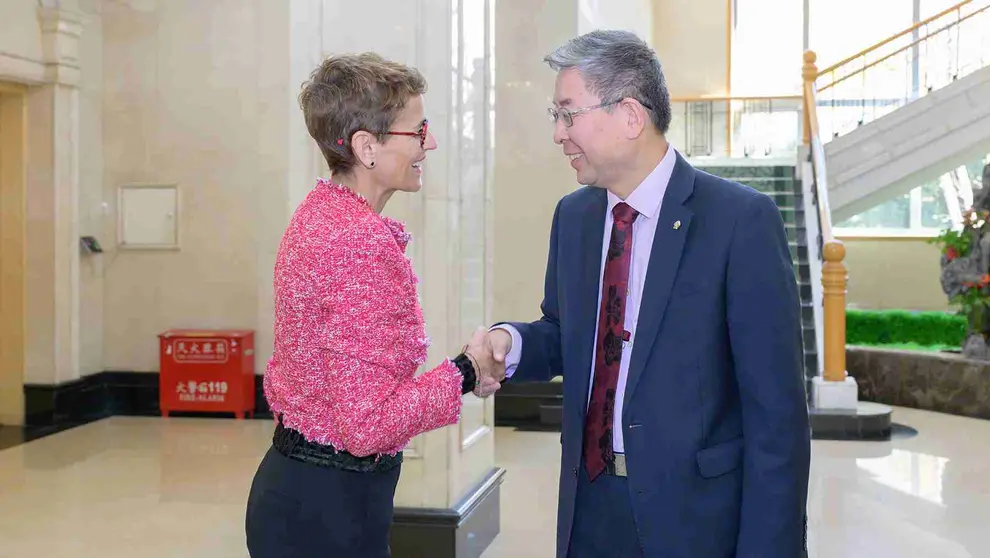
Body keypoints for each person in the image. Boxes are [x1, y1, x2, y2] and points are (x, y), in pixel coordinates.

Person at [485, 30, 812, 558]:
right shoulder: (575, 218)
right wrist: (512, 342)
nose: (558, 134)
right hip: (589, 506)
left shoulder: (739, 221)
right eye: (556, 115)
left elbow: (777, 420)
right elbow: (566, 334)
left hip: (696, 519)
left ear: (631, 115)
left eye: (568, 114)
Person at [245, 53, 502, 558]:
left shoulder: (322, 215)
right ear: (366, 146)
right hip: (327, 515)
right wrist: (466, 372)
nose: (430, 143)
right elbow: (367, 426)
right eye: (417, 130)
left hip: (305, 496)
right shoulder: (357, 243)